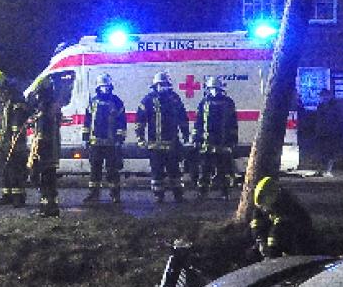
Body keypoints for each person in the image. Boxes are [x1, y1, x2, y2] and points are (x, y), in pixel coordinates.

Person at [135, 72, 191, 203]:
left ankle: (178, 195)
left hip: (172, 144)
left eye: (165, 84)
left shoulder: (175, 99)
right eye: (160, 85)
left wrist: (186, 135)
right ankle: (158, 196)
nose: (162, 87)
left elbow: (183, 119)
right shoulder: (148, 100)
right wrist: (140, 138)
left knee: (175, 172)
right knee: (157, 173)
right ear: (155, 86)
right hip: (155, 145)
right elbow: (140, 121)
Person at [0, 70, 29, 208]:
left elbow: (17, 122)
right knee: (4, 169)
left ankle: (18, 197)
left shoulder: (17, 99)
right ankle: (7, 195)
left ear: (2, 86)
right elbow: (2, 122)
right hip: (5, 141)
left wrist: (13, 140)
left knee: (16, 170)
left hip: (16, 142)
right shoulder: (5, 101)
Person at [82, 73, 126, 204]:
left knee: (112, 170)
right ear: (98, 87)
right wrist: (85, 138)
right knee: (95, 170)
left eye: (106, 87)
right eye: (102, 87)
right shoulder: (93, 101)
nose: (104, 89)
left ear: (110, 87)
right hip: (95, 143)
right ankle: (94, 194)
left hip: (111, 143)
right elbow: (87, 121)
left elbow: (121, 122)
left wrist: (119, 139)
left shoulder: (117, 102)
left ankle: (115, 194)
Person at [193, 76, 238, 200]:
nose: (214, 91)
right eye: (212, 88)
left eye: (216, 88)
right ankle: (202, 192)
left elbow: (233, 123)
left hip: (223, 143)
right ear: (208, 89)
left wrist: (233, 139)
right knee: (205, 170)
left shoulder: (228, 103)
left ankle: (225, 192)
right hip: (207, 144)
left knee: (223, 170)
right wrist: (196, 139)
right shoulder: (204, 103)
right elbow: (198, 122)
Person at [25, 76, 63, 217]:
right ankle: (51, 208)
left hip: (44, 151)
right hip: (53, 150)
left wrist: (35, 155)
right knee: (50, 180)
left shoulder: (44, 109)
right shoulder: (54, 107)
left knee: (43, 181)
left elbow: (40, 135)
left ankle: (47, 209)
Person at [248, 176, 312, 259]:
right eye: (261, 206)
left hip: (297, 236)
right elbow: (255, 224)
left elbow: (277, 232)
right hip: (278, 233)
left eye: (264, 205)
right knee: (250, 253)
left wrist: (270, 253)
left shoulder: (286, 207)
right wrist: (260, 241)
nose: (263, 208)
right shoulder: (262, 205)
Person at [314, 89, 343, 177]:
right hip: (321, 133)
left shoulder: (334, 107)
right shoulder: (320, 107)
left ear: (328, 96)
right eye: (321, 96)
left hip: (331, 133)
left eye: (323, 96)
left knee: (330, 153)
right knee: (320, 152)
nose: (322, 98)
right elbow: (318, 120)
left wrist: (338, 132)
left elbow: (338, 120)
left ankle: (328, 170)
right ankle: (320, 170)